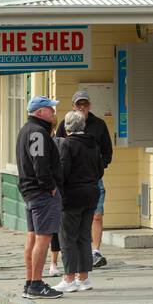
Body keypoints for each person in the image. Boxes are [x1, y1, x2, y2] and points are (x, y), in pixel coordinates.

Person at [55, 89, 114, 269]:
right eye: (78, 104)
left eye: (85, 104)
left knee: (96, 215)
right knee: (72, 222)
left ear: (89, 105)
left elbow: (106, 152)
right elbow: (57, 147)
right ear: (73, 106)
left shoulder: (99, 124)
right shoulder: (66, 124)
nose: (82, 107)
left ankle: (95, 251)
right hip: (71, 180)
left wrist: (98, 168)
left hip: (92, 178)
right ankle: (73, 263)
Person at [16, 95, 64, 299]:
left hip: (29, 192)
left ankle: (30, 282)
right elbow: (40, 164)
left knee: (33, 237)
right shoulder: (37, 133)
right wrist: (50, 187)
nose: (53, 113)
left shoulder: (26, 130)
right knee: (43, 239)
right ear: (40, 112)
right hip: (41, 193)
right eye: (50, 109)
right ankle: (36, 283)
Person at [53, 110, 103, 292]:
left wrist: (58, 189)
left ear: (67, 128)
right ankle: (84, 278)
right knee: (84, 236)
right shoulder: (93, 144)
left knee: (67, 237)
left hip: (72, 195)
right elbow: (100, 170)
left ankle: (69, 278)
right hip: (91, 193)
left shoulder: (67, 144)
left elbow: (63, 171)